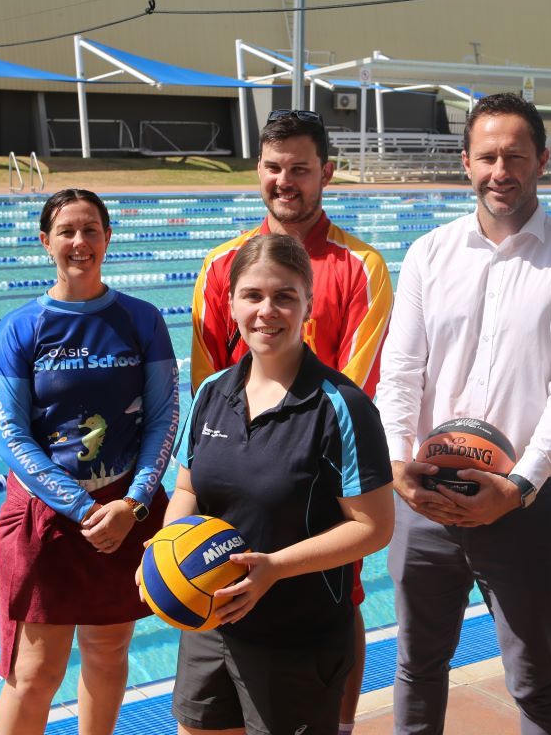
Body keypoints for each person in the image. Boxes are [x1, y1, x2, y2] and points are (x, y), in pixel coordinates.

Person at [376, 92, 551, 734]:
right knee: (417, 667)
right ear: (466, 162)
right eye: (487, 156)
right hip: (424, 496)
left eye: (515, 155)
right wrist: (398, 462)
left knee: (534, 676)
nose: (500, 170)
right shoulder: (429, 253)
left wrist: (517, 486)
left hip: (523, 506)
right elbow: (401, 368)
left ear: (542, 160)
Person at [190, 108, 393, 730]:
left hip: (319, 482)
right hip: (232, 478)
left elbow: (357, 386)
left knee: (341, 599)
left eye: (300, 169)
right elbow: (207, 385)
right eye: (274, 168)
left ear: (326, 173)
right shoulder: (221, 265)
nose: (286, 181)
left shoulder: (362, 267)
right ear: (259, 170)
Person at [0, 188, 179, 735]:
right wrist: (80, 506)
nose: (80, 242)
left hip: (125, 509)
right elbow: (11, 436)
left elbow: (164, 417)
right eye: (67, 231)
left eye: (91, 229)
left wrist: (135, 502)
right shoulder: (22, 327)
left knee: (108, 648)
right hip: (47, 515)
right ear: (45, 242)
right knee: (35, 669)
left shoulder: (140, 320)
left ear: (108, 238)